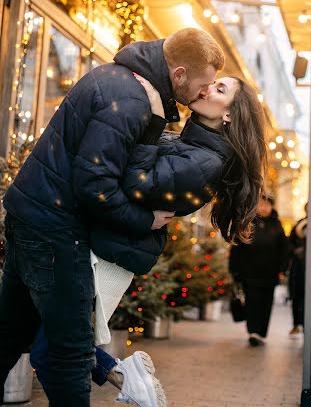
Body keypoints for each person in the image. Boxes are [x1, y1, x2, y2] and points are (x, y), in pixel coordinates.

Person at [0, 28, 225, 407]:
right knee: (69, 353)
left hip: (33, 218)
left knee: (9, 334)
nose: (205, 93)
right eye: (204, 85)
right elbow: (95, 187)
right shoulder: (132, 100)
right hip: (56, 231)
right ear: (180, 74)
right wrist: (147, 220)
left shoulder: (124, 83)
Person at [29, 73, 269, 404]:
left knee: (51, 350)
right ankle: (124, 374)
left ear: (228, 113)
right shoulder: (190, 144)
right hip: (100, 244)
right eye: (211, 80)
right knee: (49, 338)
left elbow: (134, 182)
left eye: (220, 88)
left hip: (105, 257)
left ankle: (124, 375)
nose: (208, 86)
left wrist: (153, 118)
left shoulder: (206, 161)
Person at [229, 195, 288, 346]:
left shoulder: (277, 226)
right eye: (261, 204)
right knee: (252, 303)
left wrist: (283, 269)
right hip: (249, 272)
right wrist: (235, 270)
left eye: (267, 205)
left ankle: (262, 332)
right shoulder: (247, 223)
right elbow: (237, 247)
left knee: (266, 303)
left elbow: (284, 250)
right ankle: (253, 332)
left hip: (270, 273)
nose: (264, 207)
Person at [288, 206, 307, 336]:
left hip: (307, 266)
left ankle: (306, 324)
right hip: (298, 267)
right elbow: (289, 244)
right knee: (296, 296)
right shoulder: (299, 225)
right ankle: (296, 324)